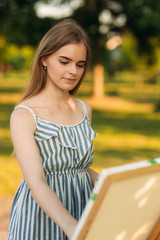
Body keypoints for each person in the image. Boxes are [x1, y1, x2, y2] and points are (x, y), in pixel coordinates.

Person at [7, 18, 98, 240]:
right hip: (42, 218)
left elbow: (81, 168)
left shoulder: (84, 109)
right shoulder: (25, 115)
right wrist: (71, 227)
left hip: (83, 208)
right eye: (64, 61)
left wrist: (119, 184)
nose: (73, 71)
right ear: (45, 59)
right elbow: (36, 181)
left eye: (80, 64)